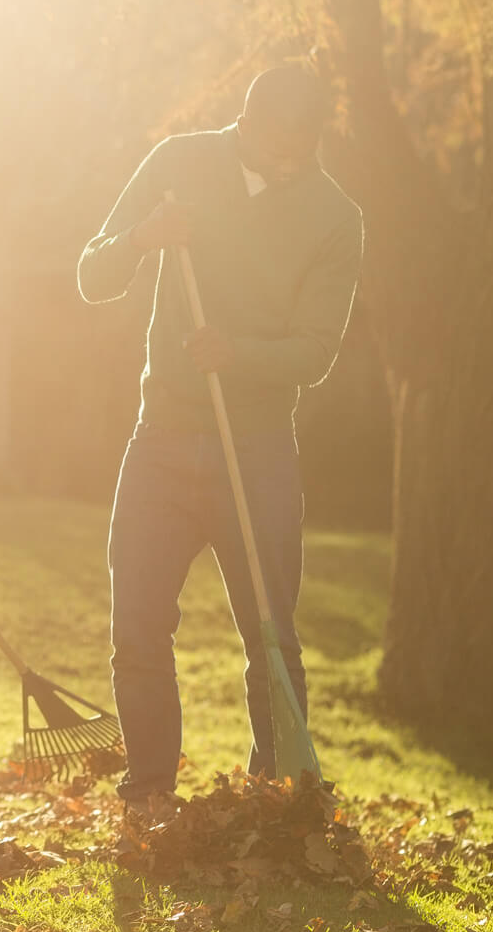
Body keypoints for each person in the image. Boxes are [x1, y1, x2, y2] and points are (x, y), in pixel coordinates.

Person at [77, 66, 363, 817]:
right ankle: (149, 794)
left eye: (307, 145)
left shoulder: (336, 217)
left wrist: (238, 354)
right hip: (162, 440)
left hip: (260, 449)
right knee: (137, 625)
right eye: (279, 142)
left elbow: (317, 350)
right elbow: (91, 273)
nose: (292, 160)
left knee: (272, 635)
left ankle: (276, 795)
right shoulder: (180, 164)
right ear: (247, 123)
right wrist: (145, 237)